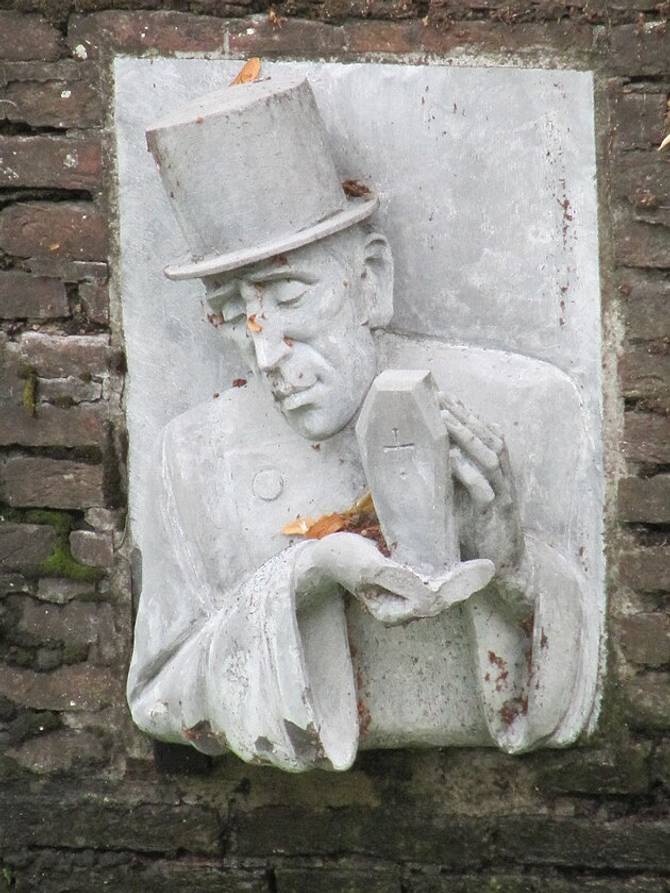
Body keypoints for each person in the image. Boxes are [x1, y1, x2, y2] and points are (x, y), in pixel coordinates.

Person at [127, 72, 598, 772]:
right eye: (231, 313)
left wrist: (513, 567)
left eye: (289, 296)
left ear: (371, 280)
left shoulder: (525, 407)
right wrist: (308, 575)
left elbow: (587, 672)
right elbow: (158, 697)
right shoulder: (192, 458)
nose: (266, 354)